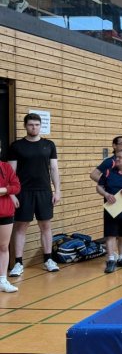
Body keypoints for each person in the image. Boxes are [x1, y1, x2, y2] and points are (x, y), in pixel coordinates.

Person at [8, 113, 61, 276]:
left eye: (37, 125)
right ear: (25, 126)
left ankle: (48, 260)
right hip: (23, 192)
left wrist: (57, 190)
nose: (34, 127)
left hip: (44, 191)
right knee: (20, 227)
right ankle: (18, 263)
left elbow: (54, 169)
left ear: (40, 126)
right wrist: (12, 194)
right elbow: (11, 173)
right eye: (31, 125)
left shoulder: (49, 145)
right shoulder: (16, 146)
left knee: (45, 226)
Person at [90, 136, 122, 260]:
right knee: (112, 229)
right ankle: (112, 254)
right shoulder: (109, 162)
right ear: (114, 146)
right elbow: (94, 174)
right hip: (113, 199)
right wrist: (108, 185)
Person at [0, 142, 21, 292]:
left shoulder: (6, 167)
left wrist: (4, 190)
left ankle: (2, 280)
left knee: (3, 246)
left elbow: (16, 186)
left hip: (5, 212)